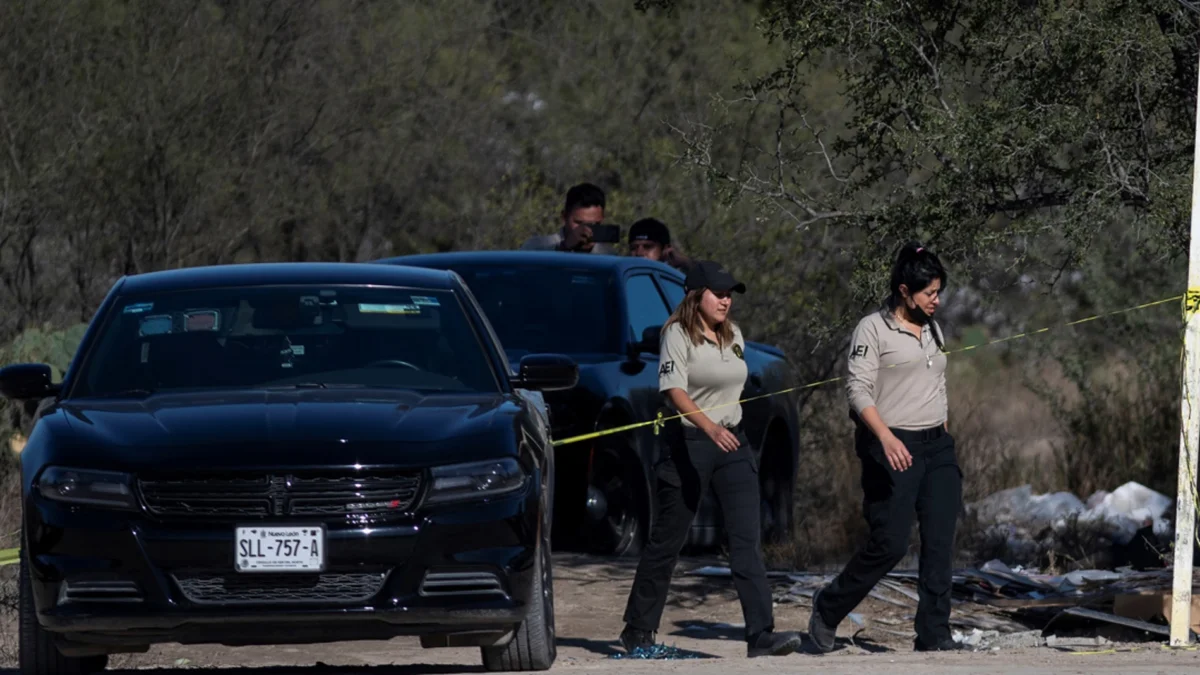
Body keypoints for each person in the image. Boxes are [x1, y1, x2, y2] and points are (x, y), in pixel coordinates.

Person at [618, 260, 804, 659]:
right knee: (667, 540)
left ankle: (760, 635)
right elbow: (673, 390)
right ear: (695, 295)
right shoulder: (676, 334)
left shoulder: (732, 334)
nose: (726, 301)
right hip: (689, 443)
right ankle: (638, 628)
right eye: (718, 293)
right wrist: (708, 427)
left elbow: (733, 383)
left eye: (730, 294)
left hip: (731, 442)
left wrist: (725, 428)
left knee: (745, 540)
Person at [807, 242, 962, 653]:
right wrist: (887, 437)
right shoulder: (872, 329)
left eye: (938, 291)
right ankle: (828, 606)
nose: (937, 300)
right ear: (903, 291)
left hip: (936, 446)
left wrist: (943, 426)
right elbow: (857, 390)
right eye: (929, 293)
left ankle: (934, 633)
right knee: (890, 543)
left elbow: (936, 378)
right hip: (891, 443)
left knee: (940, 539)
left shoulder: (932, 326)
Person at [521, 182, 617, 254]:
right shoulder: (535, 248)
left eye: (595, 225)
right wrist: (565, 247)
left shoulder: (608, 254)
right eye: (579, 223)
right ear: (564, 217)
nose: (586, 230)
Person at [627, 218, 692, 272]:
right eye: (634, 248)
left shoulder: (682, 278)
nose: (639, 253)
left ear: (666, 249)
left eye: (647, 247)